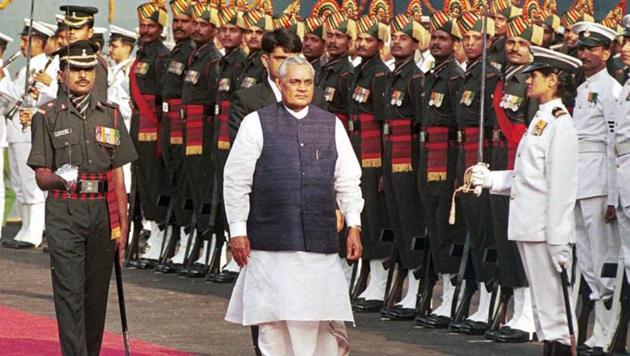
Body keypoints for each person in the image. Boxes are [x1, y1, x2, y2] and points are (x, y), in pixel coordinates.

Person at [224, 54, 363, 356]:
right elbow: (236, 181)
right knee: (273, 327)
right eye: (294, 82)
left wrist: (354, 224)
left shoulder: (331, 126)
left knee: (319, 326)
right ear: (279, 83)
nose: (301, 88)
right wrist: (237, 231)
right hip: (271, 247)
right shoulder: (255, 123)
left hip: (319, 247)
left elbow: (348, 180)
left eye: (307, 82)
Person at [27, 39, 137, 356]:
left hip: (103, 214)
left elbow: (117, 174)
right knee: (69, 293)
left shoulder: (111, 116)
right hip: (66, 212)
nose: (83, 75)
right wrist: (63, 179)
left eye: (88, 69)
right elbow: (41, 175)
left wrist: (123, 228)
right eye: (75, 69)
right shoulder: (47, 116)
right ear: (62, 73)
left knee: (95, 295)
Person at [471, 45, 581, 356]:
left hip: (546, 231)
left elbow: (561, 186)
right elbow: (527, 176)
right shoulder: (541, 120)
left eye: (535, 76)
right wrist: (490, 179)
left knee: (557, 310)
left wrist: (559, 238)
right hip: (528, 225)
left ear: (553, 81)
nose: (528, 81)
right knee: (545, 309)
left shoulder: (561, 123)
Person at [485, 6, 541, 343]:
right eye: (511, 41)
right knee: (504, 238)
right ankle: (518, 309)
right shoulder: (503, 79)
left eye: (522, 42)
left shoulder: (532, 84)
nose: (514, 47)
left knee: (522, 239)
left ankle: (529, 315)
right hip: (498, 157)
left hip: (519, 161)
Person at [570, 21, 622, 354]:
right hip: (579, 179)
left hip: (599, 180)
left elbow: (614, 144)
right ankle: (598, 331)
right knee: (586, 259)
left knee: (604, 260)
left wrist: (612, 195)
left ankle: (609, 331)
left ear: (607, 52)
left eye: (592, 48)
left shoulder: (610, 89)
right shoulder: (582, 87)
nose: (585, 54)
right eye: (582, 49)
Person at [449, 10, 500, 334]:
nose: (469, 43)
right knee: (466, 230)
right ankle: (473, 295)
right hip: (462, 156)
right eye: (465, 38)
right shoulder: (468, 75)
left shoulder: (490, 77)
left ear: (488, 41)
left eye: (475, 38)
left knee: (483, 233)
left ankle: (488, 299)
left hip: (481, 159)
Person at [414, 10, 466, 328]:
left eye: (442, 38)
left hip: (446, 157)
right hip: (426, 155)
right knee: (432, 224)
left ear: (454, 43)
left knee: (448, 227)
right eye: (433, 37)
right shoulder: (431, 76)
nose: (436, 42)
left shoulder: (455, 78)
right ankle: (437, 294)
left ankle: (450, 297)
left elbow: (459, 126)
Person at [379, 13, 427, 318]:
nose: (397, 42)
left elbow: (420, 124)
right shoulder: (391, 76)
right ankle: (404, 282)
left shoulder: (415, 78)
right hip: (389, 154)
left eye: (404, 38)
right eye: (394, 37)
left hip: (407, 159)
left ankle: (417, 286)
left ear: (416, 44)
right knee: (397, 221)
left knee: (410, 222)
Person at [347, 14, 392, 315]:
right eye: (359, 39)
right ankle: (364, 275)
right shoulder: (358, 72)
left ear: (379, 43)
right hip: (355, 147)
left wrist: (379, 167)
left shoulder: (378, 74)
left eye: (368, 39)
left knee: (373, 217)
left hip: (371, 153)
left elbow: (382, 121)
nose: (362, 44)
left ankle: (379, 278)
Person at [0, 20, 56, 249]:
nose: (22, 44)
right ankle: (25, 228)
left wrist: (2, 80)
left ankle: (33, 232)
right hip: (15, 129)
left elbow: (17, 93)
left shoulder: (40, 66)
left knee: (30, 181)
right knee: (19, 181)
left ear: (39, 43)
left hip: (27, 128)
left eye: (26, 40)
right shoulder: (27, 66)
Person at [176, 1, 222, 277]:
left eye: (205, 25)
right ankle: (197, 242)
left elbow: (215, 101)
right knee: (192, 187)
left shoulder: (213, 59)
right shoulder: (197, 55)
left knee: (205, 189)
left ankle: (209, 246)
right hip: (189, 128)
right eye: (197, 23)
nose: (197, 28)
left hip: (204, 132)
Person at [150, 0, 197, 273]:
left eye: (184, 20)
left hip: (185, 125)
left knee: (185, 184)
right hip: (169, 124)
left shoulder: (192, 53)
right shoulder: (176, 52)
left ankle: (191, 241)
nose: (178, 24)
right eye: (175, 20)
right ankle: (173, 238)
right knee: (170, 181)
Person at [206, 5, 247, 283]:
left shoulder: (242, 64)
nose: (228, 34)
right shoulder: (222, 62)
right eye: (225, 29)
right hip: (216, 136)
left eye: (234, 29)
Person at [130, 2, 170, 265]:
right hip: (137, 126)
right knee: (141, 184)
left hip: (152, 128)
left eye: (151, 26)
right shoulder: (142, 54)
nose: (145, 30)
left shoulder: (161, 56)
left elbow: (163, 99)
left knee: (155, 183)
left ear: (161, 28)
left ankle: (158, 238)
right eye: (143, 25)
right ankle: (145, 234)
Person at [238, 9, 272, 89]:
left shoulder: (268, 63)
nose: (253, 36)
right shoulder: (245, 61)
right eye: (249, 32)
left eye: (259, 32)